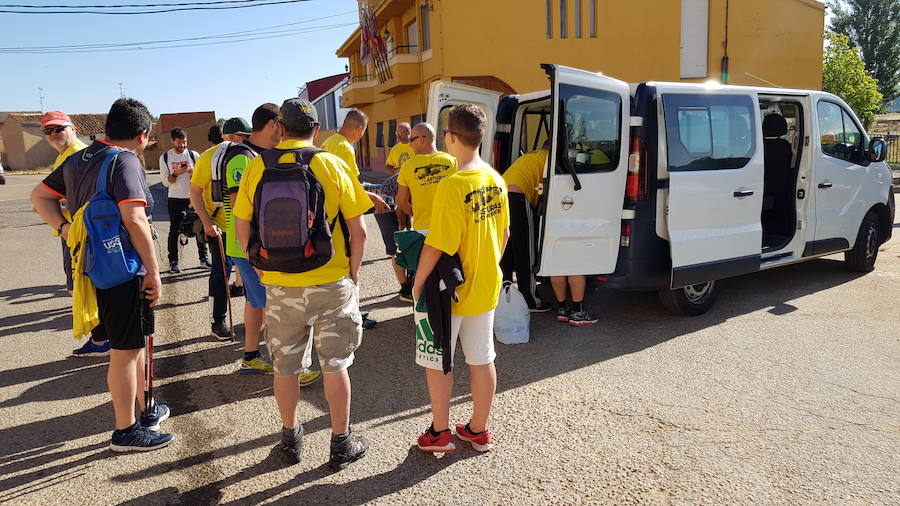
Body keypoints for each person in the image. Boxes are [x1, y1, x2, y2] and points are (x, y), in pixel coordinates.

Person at [234, 98, 371, 469]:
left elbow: (242, 223)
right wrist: (353, 273)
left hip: (280, 283)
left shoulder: (258, 165)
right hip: (331, 279)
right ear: (315, 129)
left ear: (280, 127)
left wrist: (259, 266)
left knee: (286, 366)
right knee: (336, 364)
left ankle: (290, 441)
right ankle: (341, 443)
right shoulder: (331, 163)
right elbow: (359, 230)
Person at [31, 98, 173, 452]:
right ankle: (126, 431)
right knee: (125, 350)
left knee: (131, 343)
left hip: (91, 265)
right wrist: (154, 272)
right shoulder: (124, 161)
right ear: (143, 134)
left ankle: (147, 408)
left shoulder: (80, 158)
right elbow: (135, 219)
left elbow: (39, 196)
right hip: (124, 267)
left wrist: (64, 229)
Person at [413, 105, 509, 453]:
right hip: (485, 283)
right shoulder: (496, 179)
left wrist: (416, 283)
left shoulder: (452, 184)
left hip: (448, 290)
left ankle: (439, 433)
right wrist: (488, 263)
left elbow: (437, 245)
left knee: (439, 358)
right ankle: (478, 430)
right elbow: (504, 234)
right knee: (482, 358)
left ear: (450, 138)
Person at [221, 103, 323, 386]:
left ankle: (251, 356)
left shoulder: (260, 156)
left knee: (258, 302)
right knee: (273, 304)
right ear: (271, 125)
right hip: (251, 245)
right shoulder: (242, 158)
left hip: (257, 243)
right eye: (280, 124)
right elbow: (238, 207)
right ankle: (290, 367)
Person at [41, 111, 112, 357]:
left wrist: (59, 216)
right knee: (83, 285)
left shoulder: (77, 156)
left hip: (78, 232)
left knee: (82, 286)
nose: (53, 134)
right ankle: (103, 338)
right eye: (47, 131)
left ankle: (102, 340)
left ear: (72, 128)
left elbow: (85, 199)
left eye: (58, 128)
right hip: (72, 231)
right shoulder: (65, 157)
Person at [321, 109, 384, 328]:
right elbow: (352, 185)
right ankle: (352, 311)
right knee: (352, 259)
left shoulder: (329, 142)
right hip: (344, 211)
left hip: (329, 213)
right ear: (359, 129)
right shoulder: (345, 147)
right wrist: (374, 197)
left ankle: (345, 308)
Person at [189, 118, 249, 340]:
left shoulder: (248, 154)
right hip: (220, 227)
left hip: (244, 225)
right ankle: (218, 320)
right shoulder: (209, 158)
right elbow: (194, 191)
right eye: (243, 137)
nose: (245, 141)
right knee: (220, 274)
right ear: (232, 136)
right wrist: (206, 223)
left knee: (251, 274)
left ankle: (256, 319)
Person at [394, 122, 457, 300]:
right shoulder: (452, 161)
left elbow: (400, 201)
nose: (409, 144)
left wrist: (416, 212)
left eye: (412, 140)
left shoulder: (408, 166)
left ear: (421, 140)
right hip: (451, 229)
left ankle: (428, 312)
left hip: (424, 231)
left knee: (427, 277)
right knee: (452, 274)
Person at [500, 140, 552, 312]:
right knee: (526, 251)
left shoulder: (531, 156)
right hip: (519, 198)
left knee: (506, 248)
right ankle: (530, 300)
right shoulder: (550, 159)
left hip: (501, 196)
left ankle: (503, 293)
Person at [159, 127, 209, 273]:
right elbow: (166, 182)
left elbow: (202, 180)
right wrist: (175, 173)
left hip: (193, 197)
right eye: (179, 142)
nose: (182, 146)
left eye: (185, 142)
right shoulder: (165, 158)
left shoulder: (194, 155)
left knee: (200, 227)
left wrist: (193, 172)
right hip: (175, 198)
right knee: (174, 230)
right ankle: (173, 262)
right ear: (172, 141)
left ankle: (203, 258)